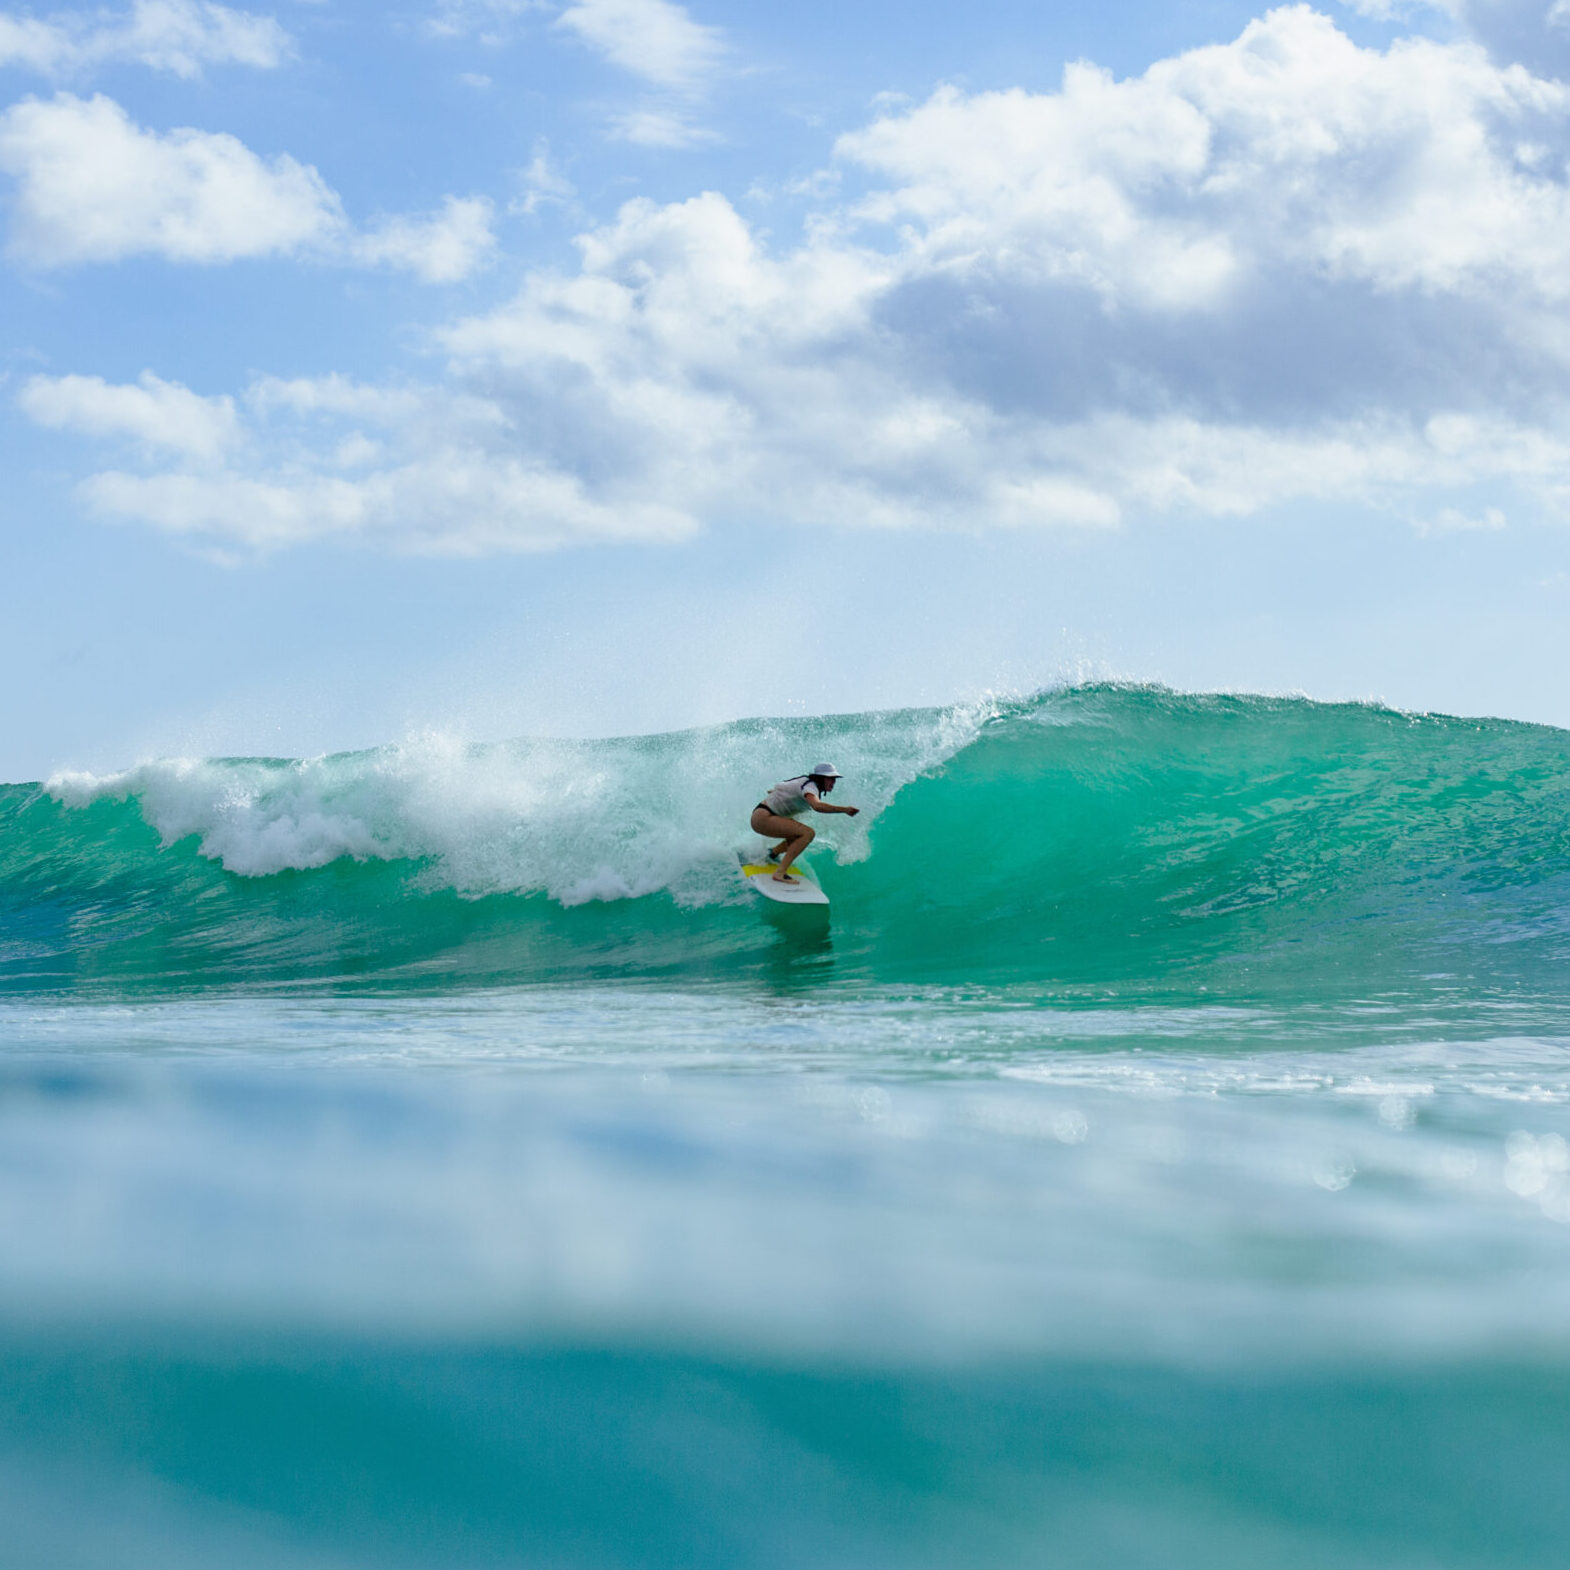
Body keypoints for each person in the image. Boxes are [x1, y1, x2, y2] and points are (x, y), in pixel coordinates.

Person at [750, 765, 859, 883]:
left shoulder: (804, 782)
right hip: (764, 818)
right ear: (821, 778)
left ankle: (772, 854)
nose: (833, 782)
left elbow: (776, 789)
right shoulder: (810, 787)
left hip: (763, 815)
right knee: (808, 833)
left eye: (835, 779)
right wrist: (844, 810)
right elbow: (817, 806)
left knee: (797, 834)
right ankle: (780, 873)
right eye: (830, 778)